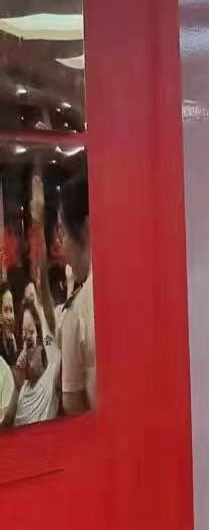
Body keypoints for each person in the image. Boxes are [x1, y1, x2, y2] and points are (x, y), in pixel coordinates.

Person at [57, 174, 94, 415]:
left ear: (88, 227)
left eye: (63, 233)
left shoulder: (77, 310)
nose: (61, 248)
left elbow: (72, 405)